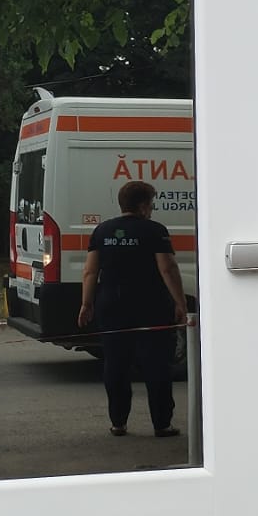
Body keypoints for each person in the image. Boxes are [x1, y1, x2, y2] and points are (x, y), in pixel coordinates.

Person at [76, 179, 189, 437]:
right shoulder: (155, 231)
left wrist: (86, 304)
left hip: (111, 305)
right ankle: (162, 423)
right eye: (151, 204)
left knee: (116, 363)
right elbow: (168, 269)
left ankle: (118, 422)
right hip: (151, 306)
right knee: (156, 364)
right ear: (143, 205)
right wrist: (180, 303)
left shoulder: (102, 231)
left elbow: (90, 271)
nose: (152, 209)